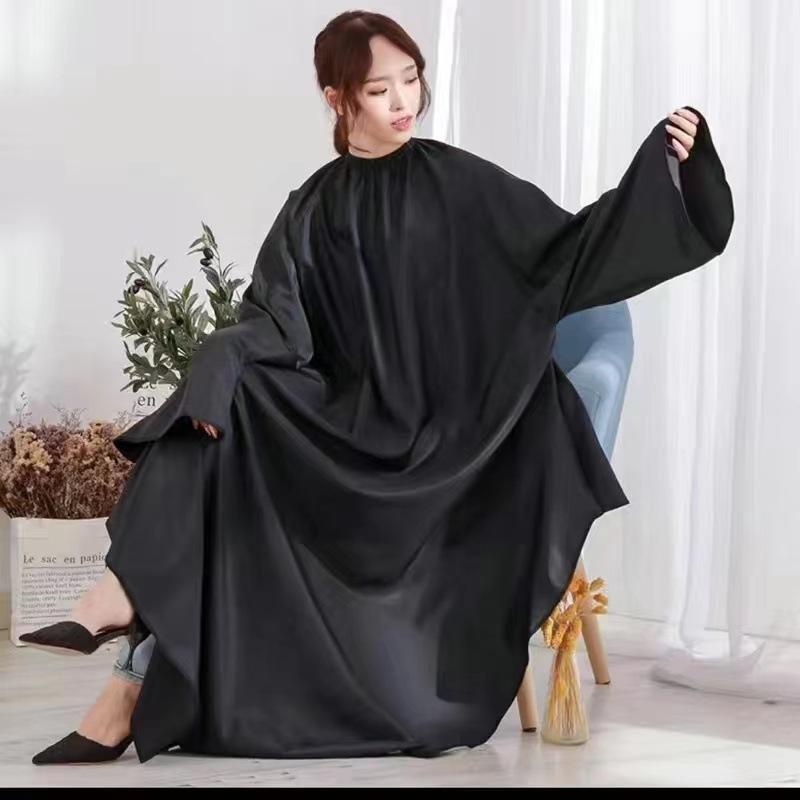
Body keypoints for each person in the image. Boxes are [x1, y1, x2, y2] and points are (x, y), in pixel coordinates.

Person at [21, 9, 734, 765]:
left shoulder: (460, 183)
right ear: (337, 99)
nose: (403, 101)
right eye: (378, 88)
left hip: (452, 429)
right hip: (348, 419)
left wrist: (675, 174)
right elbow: (278, 325)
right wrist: (219, 363)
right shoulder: (313, 204)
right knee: (219, 411)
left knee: (221, 425)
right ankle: (121, 636)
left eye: (411, 80)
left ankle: (121, 641)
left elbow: (570, 248)